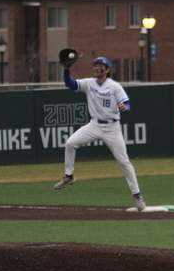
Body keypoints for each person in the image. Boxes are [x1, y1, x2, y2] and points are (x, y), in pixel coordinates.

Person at [54, 57, 146, 211]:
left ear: (107, 70)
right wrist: (66, 69)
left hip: (112, 127)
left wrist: (125, 107)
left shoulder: (114, 86)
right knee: (70, 143)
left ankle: (137, 195)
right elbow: (70, 84)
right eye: (95, 65)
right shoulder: (89, 83)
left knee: (124, 162)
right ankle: (69, 176)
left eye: (100, 66)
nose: (97, 67)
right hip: (94, 124)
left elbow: (127, 103)